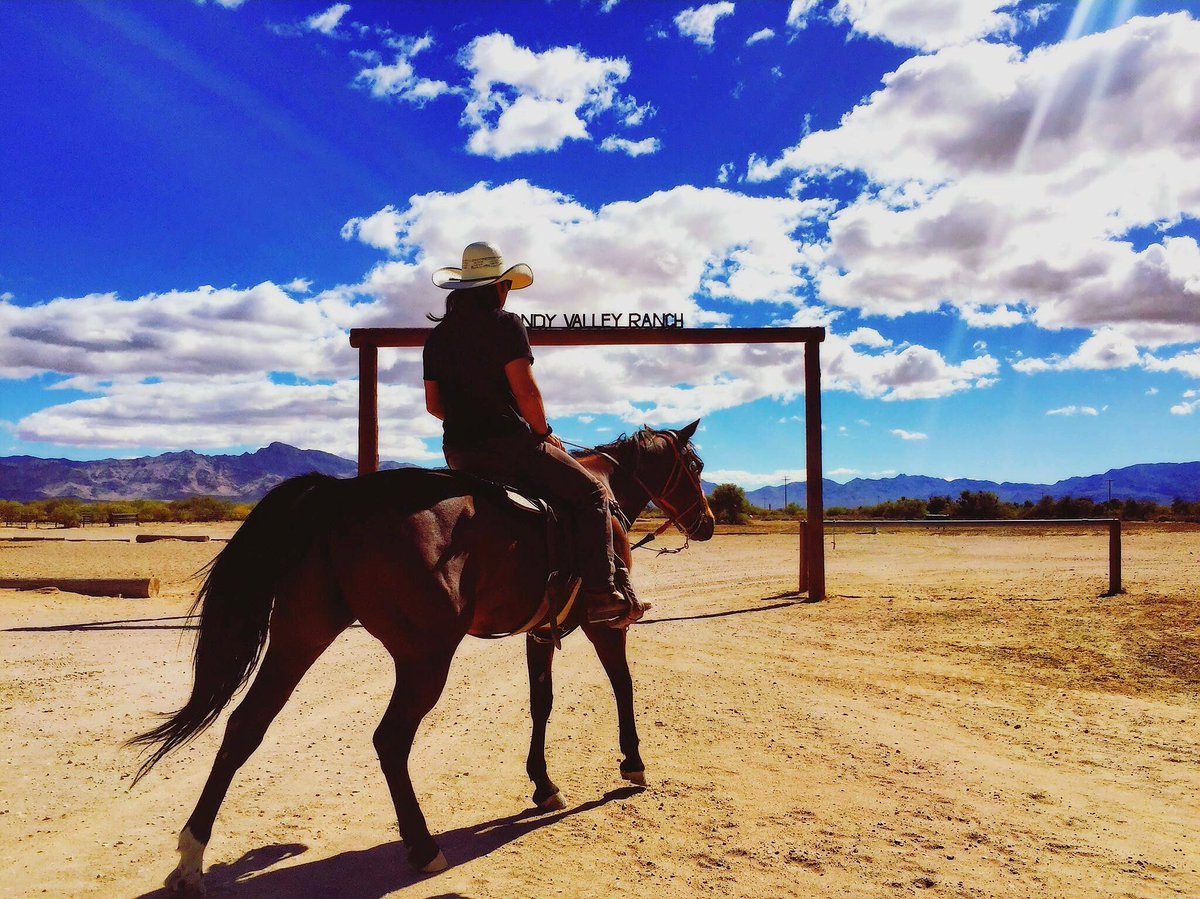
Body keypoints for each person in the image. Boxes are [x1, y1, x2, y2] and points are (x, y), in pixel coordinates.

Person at [422, 241, 631, 626]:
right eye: (506, 286)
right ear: (498, 286)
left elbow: (434, 405)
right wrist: (544, 433)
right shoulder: (506, 325)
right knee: (592, 493)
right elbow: (526, 391)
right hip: (510, 447)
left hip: (460, 453)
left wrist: (469, 416)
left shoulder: (438, 337)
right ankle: (602, 594)